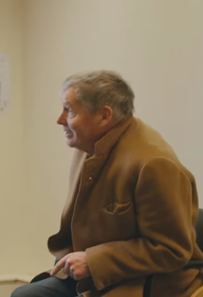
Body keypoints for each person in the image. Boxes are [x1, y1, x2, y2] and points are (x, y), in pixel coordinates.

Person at [11, 70, 203, 297]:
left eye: (69, 110)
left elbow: (172, 250)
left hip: (145, 283)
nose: (60, 119)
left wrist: (93, 261)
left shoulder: (154, 164)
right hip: (94, 275)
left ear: (104, 116)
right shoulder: (89, 146)